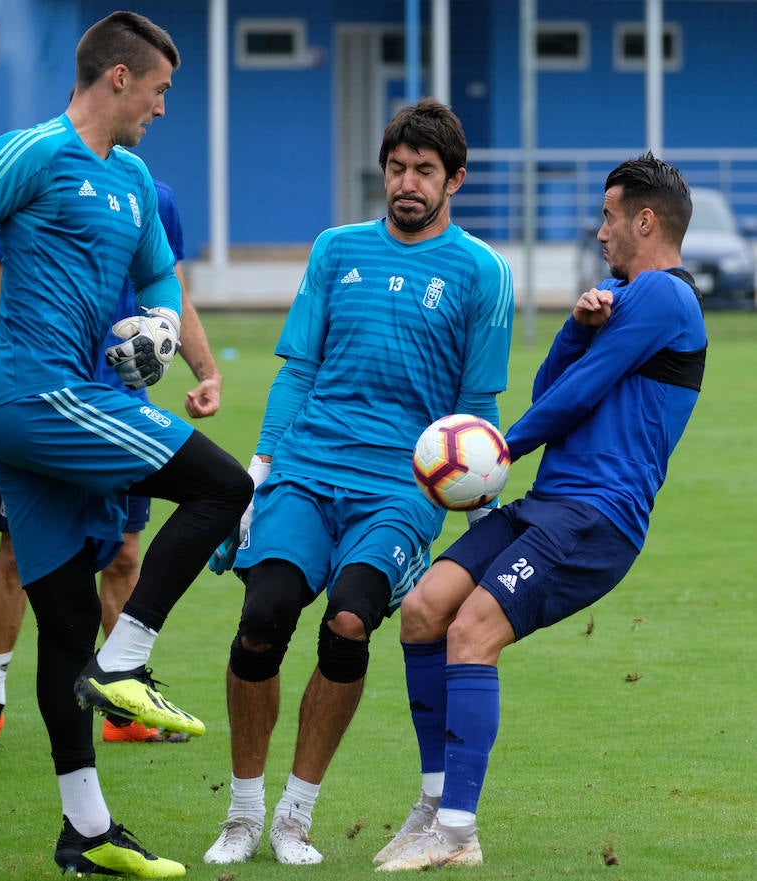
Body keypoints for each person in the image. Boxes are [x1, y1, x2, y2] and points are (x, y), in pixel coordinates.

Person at [0, 13, 251, 879]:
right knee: (224, 485)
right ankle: (130, 660)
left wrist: (161, 325)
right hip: (36, 394)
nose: (162, 106)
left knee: (69, 619)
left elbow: (159, 276)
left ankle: (87, 831)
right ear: (119, 78)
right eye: (159, 89)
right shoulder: (34, 151)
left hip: (47, 410)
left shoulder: (135, 177)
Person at [203, 98, 514, 867]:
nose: (407, 183)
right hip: (306, 468)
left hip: (400, 488)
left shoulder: (482, 272)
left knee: (348, 619)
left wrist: (484, 521)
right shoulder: (335, 249)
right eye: (397, 168)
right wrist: (257, 473)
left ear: (455, 180)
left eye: (425, 171)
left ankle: (295, 817)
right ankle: (243, 813)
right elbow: (298, 371)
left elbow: (476, 409)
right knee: (263, 617)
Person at [374, 152, 707, 871]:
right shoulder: (620, 298)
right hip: (551, 504)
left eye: (609, 217)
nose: (600, 231)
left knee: (471, 631)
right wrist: (575, 328)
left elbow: (580, 394)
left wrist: (497, 451)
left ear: (646, 221)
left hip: (596, 517)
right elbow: (554, 384)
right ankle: (432, 804)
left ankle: (457, 832)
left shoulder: (666, 295)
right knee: (425, 609)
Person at [0, 181, 223, 751]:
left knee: (125, 556)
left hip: (122, 408)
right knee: (15, 554)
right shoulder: (45, 183)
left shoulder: (156, 198)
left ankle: (120, 704)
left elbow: (171, 296)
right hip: (41, 405)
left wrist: (206, 371)